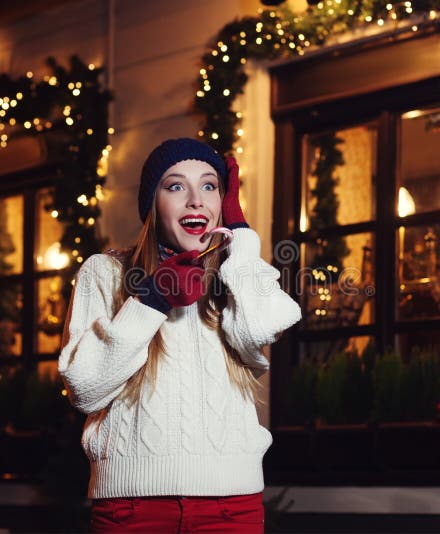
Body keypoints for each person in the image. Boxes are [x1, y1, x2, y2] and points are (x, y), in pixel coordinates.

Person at [58, 137, 301, 533]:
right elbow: (84, 389)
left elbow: (268, 320)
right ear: (153, 204)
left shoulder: (232, 279)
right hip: (132, 506)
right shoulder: (104, 273)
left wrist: (239, 236)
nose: (195, 200)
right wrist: (152, 299)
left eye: (210, 186)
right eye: (175, 186)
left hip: (231, 507)